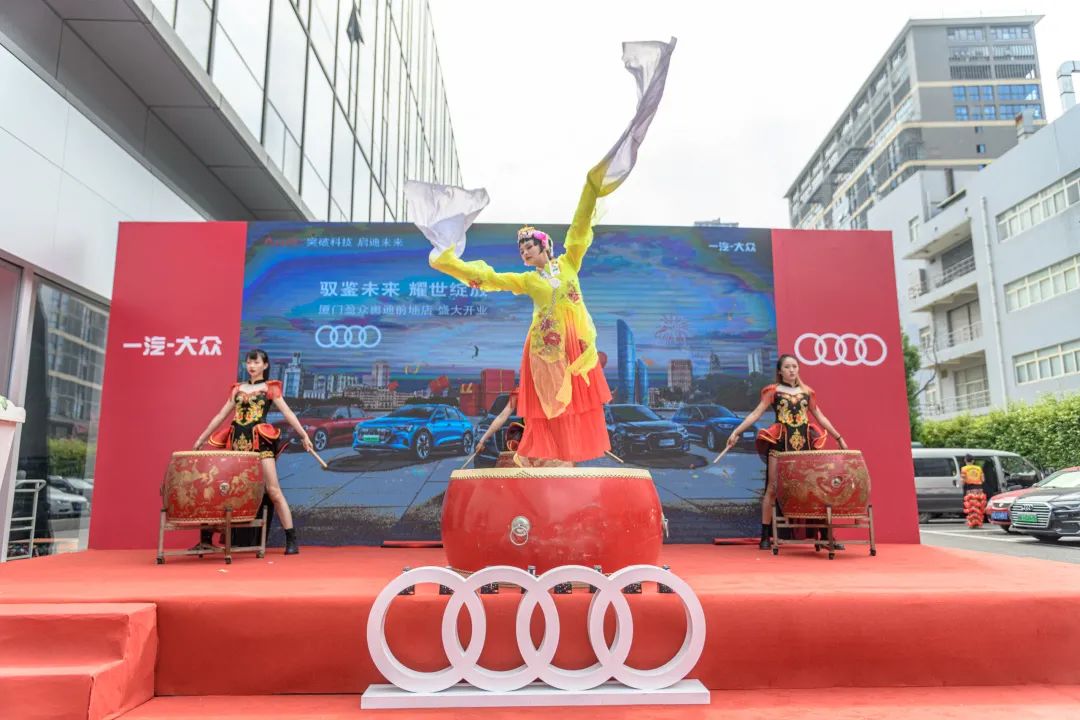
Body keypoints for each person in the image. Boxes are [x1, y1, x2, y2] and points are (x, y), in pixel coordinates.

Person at [405, 39, 677, 464]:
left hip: (574, 343)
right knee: (548, 405)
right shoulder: (527, 280)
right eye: (522, 248)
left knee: (574, 404)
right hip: (545, 348)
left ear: (545, 246)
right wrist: (449, 263)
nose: (525, 252)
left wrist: (591, 189)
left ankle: (563, 460)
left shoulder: (569, 262)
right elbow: (488, 278)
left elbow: (580, 228)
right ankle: (541, 456)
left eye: (529, 245)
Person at [193, 349, 311, 555]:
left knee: (273, 491)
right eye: (249, 362)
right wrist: (201, 439)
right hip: (237, 443)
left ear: (265, 365)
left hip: (260, 442)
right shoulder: (237, 389)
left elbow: (288, 412)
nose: (252, 366)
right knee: (224, 489)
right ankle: (206, 538)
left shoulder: (271, 388)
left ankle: (291, 539)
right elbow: (221, 415)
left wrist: (304, 435)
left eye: (256, 363)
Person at [725, 354, 847, 549]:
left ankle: (825, 535)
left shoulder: (807, 392)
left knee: (813, 489)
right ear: (780, 371)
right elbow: (756, 413)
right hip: (780, 442)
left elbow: (820, 416)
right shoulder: (773, 391)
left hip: (804, 445)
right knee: (772, 488)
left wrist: (839, 438)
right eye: (788, 367)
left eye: (795, 366)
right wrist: (736, 432)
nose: (792, 370)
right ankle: (765, 536)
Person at [960, 454, 986, 529]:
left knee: (971, 507)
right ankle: (978, 523)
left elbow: (963, 480)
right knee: (979, 506)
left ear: (965, 460)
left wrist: (961, 485)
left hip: (970, 489)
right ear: (973, 461)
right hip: (979, 489)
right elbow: (983, 479)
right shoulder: (979, 468)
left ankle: (972, 523)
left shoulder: (964, 469)